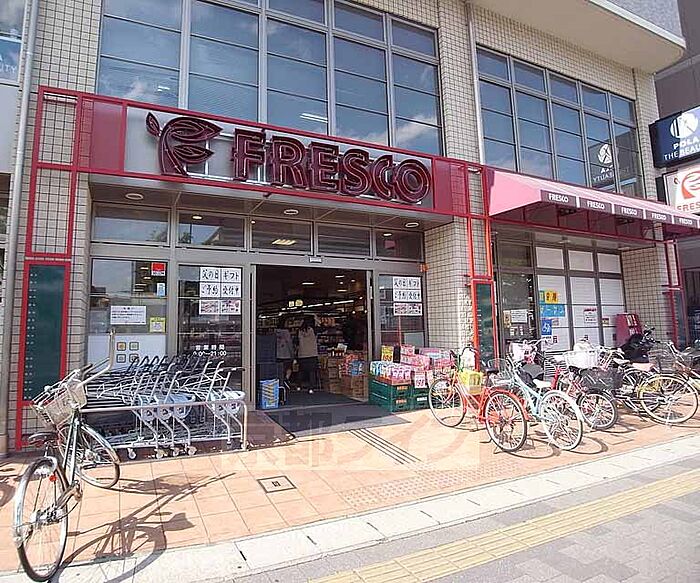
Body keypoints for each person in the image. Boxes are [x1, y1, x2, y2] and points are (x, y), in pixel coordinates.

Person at [297, 316, 319, 394]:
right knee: (312, 372)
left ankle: (298, 386)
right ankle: (311, 388)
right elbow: (322, 327)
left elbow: (297, 342)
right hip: (312, 354)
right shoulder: (313, 330)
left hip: (302, 354)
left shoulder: (299, 331)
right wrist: (316, 319)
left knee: (301, 371)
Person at [275, 316, 294, 403]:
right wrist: (292, 354)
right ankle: (286, 379)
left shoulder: (275, 332)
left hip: (277, 354)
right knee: (289, 368)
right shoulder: (286, 332)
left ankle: (281, 381)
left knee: (279, 371)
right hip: (286, 354)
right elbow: (289, 343)